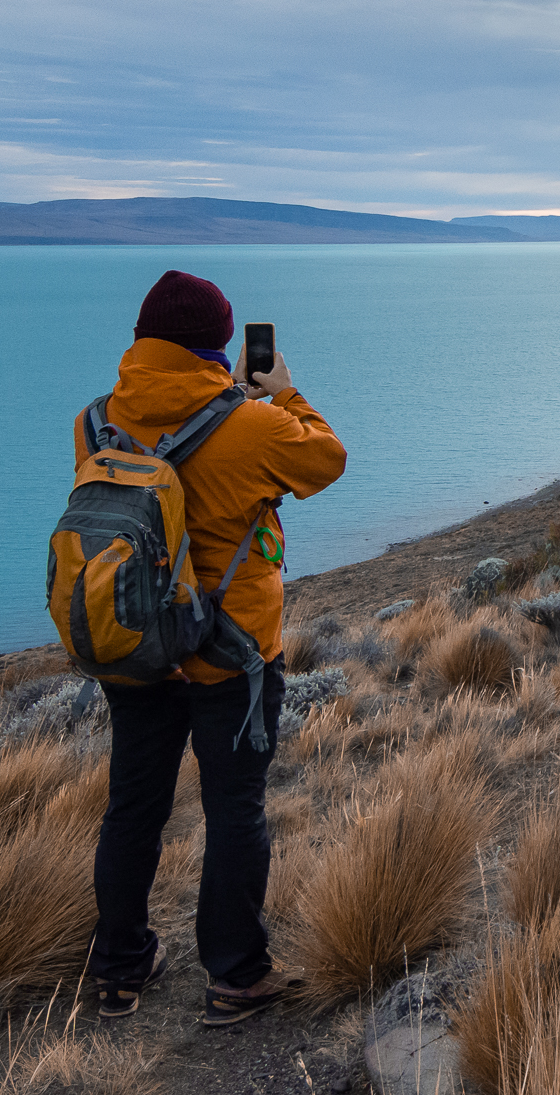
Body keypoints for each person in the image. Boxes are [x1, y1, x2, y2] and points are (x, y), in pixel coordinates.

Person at [84, 270, 346, 1025]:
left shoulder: (96, 422)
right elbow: (327, 460)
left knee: (132, 808)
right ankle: (236, 977)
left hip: (134, 649)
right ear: (221, 348)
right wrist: (284, 394)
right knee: (235, 810)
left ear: (141, 342)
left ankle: (120, 970)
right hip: (231, 654)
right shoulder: (256, 425)